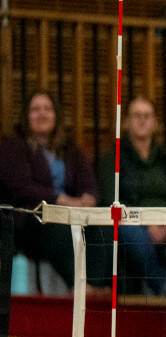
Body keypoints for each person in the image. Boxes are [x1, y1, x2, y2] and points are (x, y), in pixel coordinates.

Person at [0, 90, 98, 293]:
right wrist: (61, 199)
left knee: (102, 227)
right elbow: (22, 188)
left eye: (47, 109)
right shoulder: (13, 146)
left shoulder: (70, 149)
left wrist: (88, 198)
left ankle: (96, 286)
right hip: (31, 220)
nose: (42, 114)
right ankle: (79, 287)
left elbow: (88, 182)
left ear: (56, 115)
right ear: (26, 116)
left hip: (72, 214)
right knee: (58, 228)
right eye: (35, 109)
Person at [97, 95, 166, 296]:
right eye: (137, 115)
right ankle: (163, 287)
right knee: (130, 233)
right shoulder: (113, 158)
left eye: (147, 115)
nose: (142, 120)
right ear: (126, 121)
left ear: (155, 123)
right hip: (132, 225)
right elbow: (111, 200)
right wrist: (146, 225)